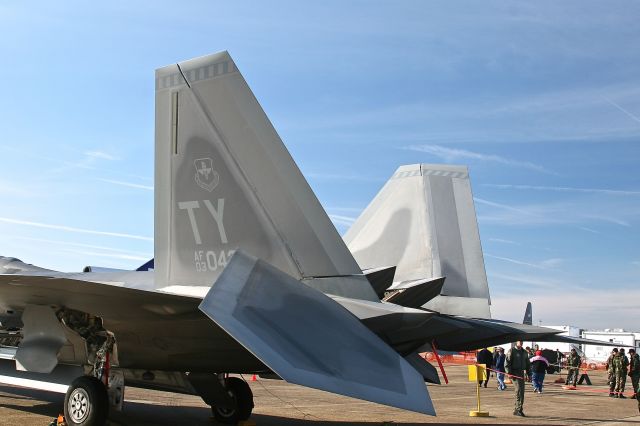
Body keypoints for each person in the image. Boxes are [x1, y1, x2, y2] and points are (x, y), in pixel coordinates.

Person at [506, 340, 530, 417]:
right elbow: (507, 362)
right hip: (514, 373)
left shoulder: (524, 352)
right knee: (519, 391)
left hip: (521, 373)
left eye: (522, 341)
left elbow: (528, 363)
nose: (521, 343)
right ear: (516, 342)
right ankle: (519, 409)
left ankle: (517, 409)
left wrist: (529, 374)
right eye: (520, 341)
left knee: (521, 391)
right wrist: (509, 373)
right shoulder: (512, 351)